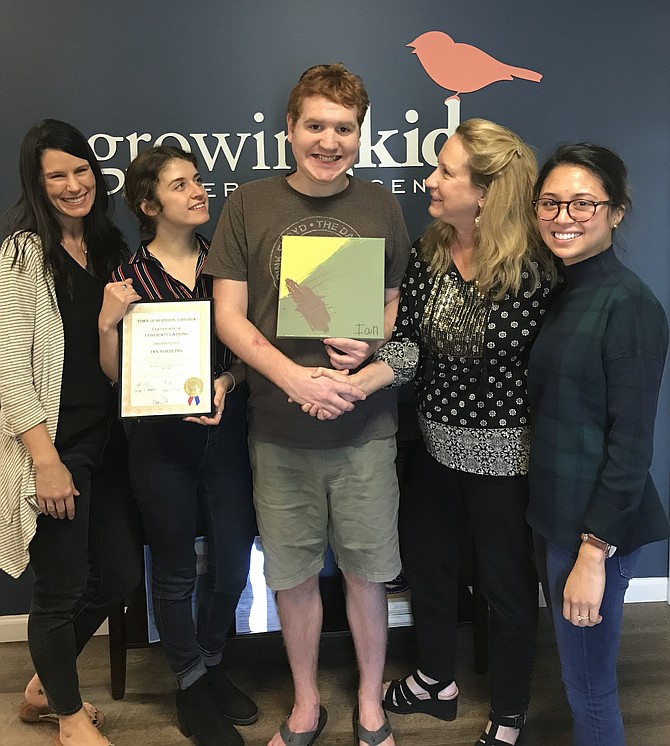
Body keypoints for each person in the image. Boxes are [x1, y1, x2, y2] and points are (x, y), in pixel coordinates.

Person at [308, 118, 559, 746]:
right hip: (435, 450)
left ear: (486, 192)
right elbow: (411, 346)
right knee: (427, 566)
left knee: (504, 588)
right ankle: (435, 679)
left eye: (446, 171)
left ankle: (508, 712)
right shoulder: (430, 249)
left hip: (506, 462)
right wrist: (359, 381)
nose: (431, 180)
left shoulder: (535, 269)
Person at [206, 63, 411, 746]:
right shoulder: (247, 204)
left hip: (364, 427)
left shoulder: (381, 205)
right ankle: (304, 705)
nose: (330, 141)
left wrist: (367, 344)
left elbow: (390, 302)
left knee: (367, 571)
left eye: (344, 128)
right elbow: (229, 318)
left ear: (360, 133)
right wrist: (293, 379)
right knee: (292, 576)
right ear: (289, 129)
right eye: (316, 126)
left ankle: (370, 705)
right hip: (278, 428)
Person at [98, 145, 257, 746]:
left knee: (234, 564)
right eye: (179, 185)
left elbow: (248, 349)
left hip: (227, 435)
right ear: (148, 204)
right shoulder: (128, 281)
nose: (198, 191)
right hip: (160, 445)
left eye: (198, 180)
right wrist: (108, 324)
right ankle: (189, 685)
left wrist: (228, 380)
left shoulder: (227, 263)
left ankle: (211, 665)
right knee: (170, 571)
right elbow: (117, 378)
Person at [0, 119, 143, 746]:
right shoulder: (23, 253)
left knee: (117, 579)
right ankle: (69, 714)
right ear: (37, 182)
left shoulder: (111, 247)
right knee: (58, 590)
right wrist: (44, 459)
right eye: (55, 174)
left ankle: (42, 686)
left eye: (80, 169)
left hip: (108, 442)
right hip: (54, 447)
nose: (71, 184)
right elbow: (7, 367)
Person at [527, 143, 670, 746]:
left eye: (584, 203)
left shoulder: (629, 304)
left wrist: (594, 552)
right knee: (575, 675)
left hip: (593, 531)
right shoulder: (564, 288)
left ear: (615, 212)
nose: (564, 216)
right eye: (552, 202)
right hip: (555, 516)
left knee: (589, 689)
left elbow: (632, 445)